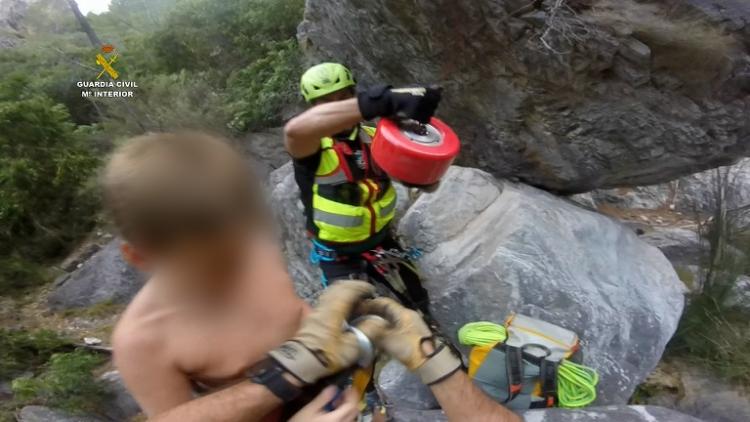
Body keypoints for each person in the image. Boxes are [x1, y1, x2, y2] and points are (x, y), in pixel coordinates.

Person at [106, 132, 361, 421]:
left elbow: (296, 313)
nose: (237, 273)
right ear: (142, 256)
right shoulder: (143, 340)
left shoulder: (256, 250)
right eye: (214, 267)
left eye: (239, 255)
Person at [284, 62, 441, 315]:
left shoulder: (375, 135)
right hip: (338, 254)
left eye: (343, 97)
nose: (336, 106)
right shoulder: (309, 146)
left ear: (353, 95)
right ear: (312, 107)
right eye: (325, 102)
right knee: (358, 321)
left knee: (418, 298)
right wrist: (383, 100)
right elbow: (294, 130)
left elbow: (427, 184)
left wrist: (424, 168)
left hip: (381, 239)